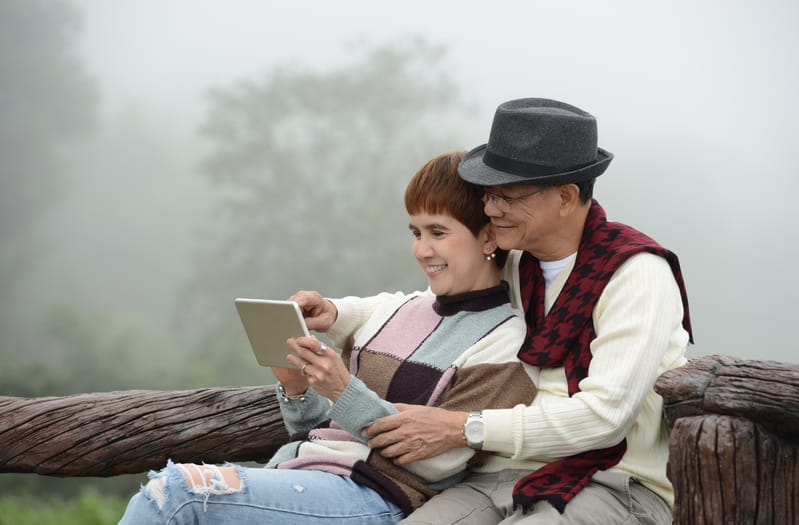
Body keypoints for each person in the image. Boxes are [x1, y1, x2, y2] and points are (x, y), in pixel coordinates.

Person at [298, 98, 693, 524]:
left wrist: (461, 427)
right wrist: (336, 313)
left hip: (611, 482)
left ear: (565, 197)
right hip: (495, 475)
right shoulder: (516, 261)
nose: (490, 209)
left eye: (508, 195)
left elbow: (604, 417)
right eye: (489, 194)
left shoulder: (635, 273)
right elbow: (428, 305)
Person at [117, 150, 536, 524]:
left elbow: (440, 461)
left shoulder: (505, 342)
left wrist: (342, 388)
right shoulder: (396, 311)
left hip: (381, 498)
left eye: (438, 232)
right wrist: (297, 388)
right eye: (415, 232)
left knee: (174, 494)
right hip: (307, 476)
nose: (422, 250)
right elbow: (320, 430)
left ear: (487, 236)